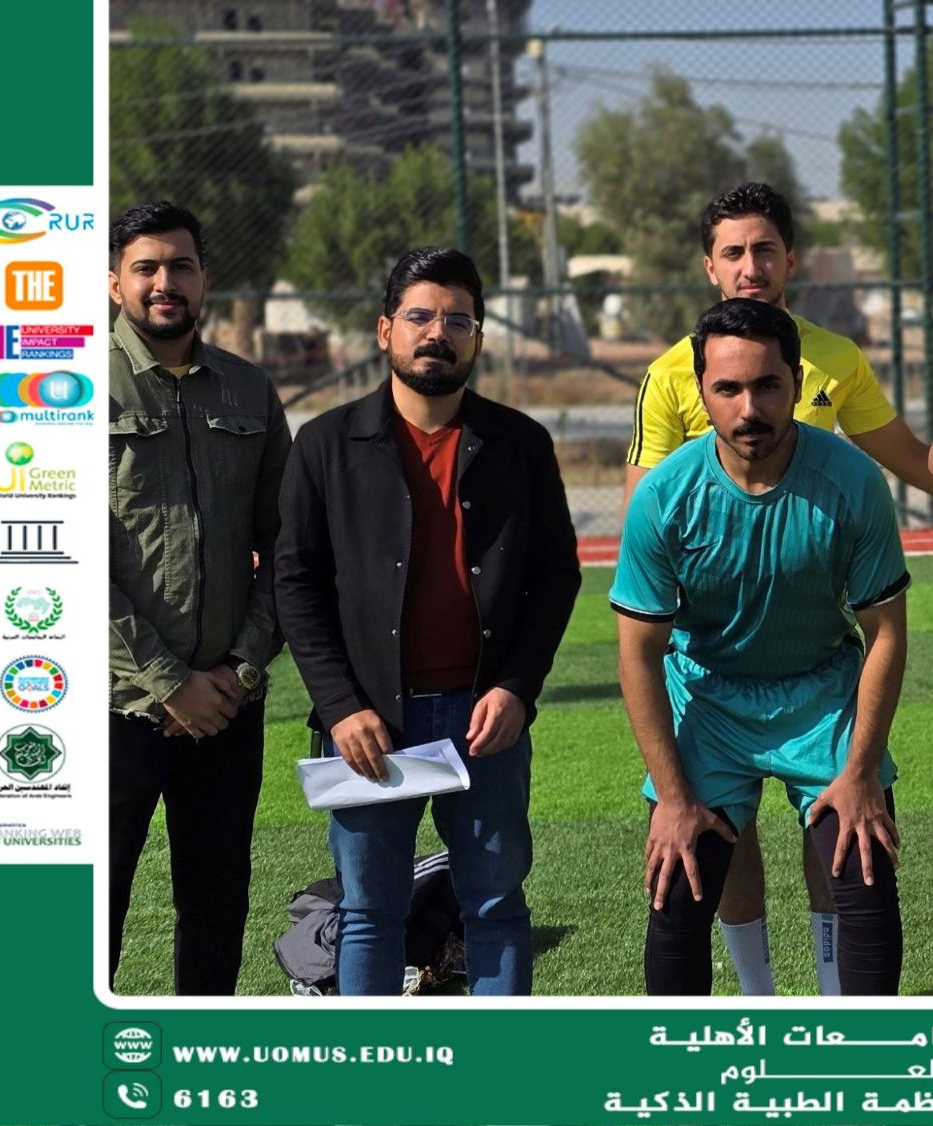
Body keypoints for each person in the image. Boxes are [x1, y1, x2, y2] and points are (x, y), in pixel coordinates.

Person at [624, 182, 933, 996]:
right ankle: (731, 1026)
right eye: (728, 390)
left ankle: (851, 1042)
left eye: (767, 387)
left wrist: (862, 770)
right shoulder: (666, 492)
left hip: (820, 690)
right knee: (678, 883)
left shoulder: (850, 481)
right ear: (700, 391)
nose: (748, 407)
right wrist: (672, 794)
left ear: (798, 384)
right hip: (708, 691)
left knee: (862, 866)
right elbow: (639, 647)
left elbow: (887, 631)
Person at [276, 247, 581, 995]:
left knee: (495, 905)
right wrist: (340, 706)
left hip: (484, 719)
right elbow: (295, 583)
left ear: (477, 338)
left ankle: (492, 1063)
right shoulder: (324, 444)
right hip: (368, 722)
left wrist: (516, 687)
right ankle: (372, 1062)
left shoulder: (520, 444)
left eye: (457, 320)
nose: (437, 333)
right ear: (385, 330)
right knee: (368, 911)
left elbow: (555, 578)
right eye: (419, 316)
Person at [108, 201, 290, 994]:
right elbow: (57, 561)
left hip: (225, 707)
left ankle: (200, 1048)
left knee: (217, 910)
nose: (164, 283)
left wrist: (240, 669)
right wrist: (166, 679)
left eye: (180, 266)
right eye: (145, 267)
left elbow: (288, 550)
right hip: (110, 705)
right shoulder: (65, 389)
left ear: (205, 278)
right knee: (92, 911)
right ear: (113, 281)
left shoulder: (249, 389)